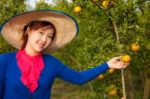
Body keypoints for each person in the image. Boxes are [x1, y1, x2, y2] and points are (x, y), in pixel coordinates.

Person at [0, 10, 129, 99]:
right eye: (40, 33)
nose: (44, 40)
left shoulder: (52, 63)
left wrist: (107, 64)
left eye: (49, 36)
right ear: (28, 30)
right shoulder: (5, 61)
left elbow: (79, 79)